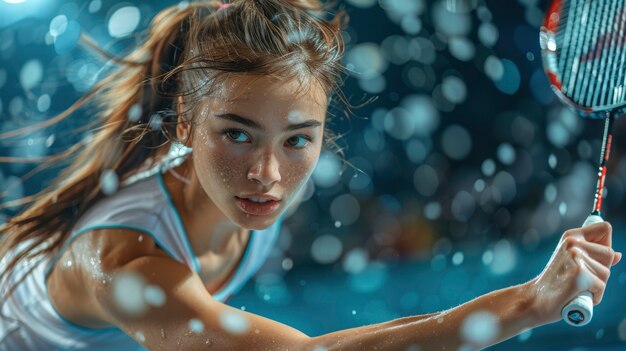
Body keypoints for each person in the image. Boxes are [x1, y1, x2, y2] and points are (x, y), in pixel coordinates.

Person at [0, 0, 622, 350]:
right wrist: (526, 303)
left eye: (299, 138)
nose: (268, 174)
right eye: (236, 133)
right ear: (185, 121)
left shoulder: (245, 178)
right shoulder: (123, 263)